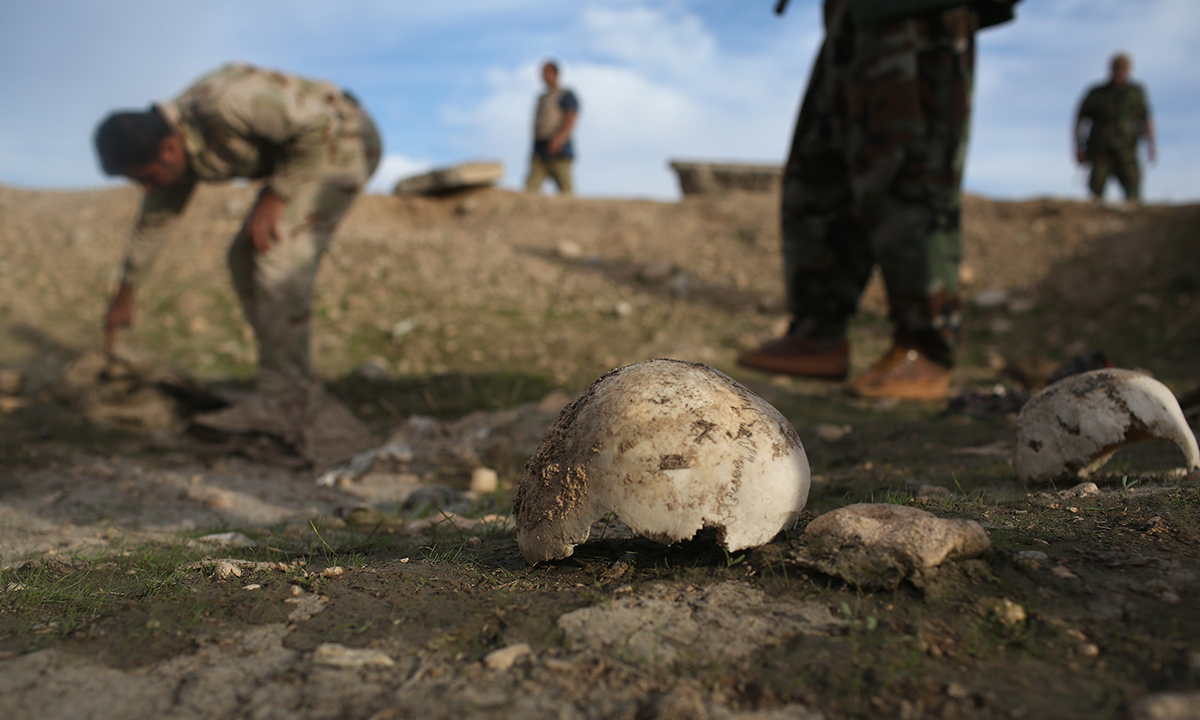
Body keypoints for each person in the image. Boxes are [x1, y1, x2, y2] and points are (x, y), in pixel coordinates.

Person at [94, 63, 382, 466]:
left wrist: (278, 195)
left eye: (146, 177)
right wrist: (125, 292)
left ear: (169, 149)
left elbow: (318, 124)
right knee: (243, 257)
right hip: (307, 152)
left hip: (342, 140)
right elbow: (153, 224)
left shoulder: (225, 105)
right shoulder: (173, 147)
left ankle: (289, 402)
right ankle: (285, 387)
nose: (146, 188)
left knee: (276, 255)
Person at [738, 0, 1019, 401]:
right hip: (849, 16)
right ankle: (818, 333)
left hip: (917, 14)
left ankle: (926, 346)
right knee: (818, 171)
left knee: (907, 172)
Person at [1074, 52, 1155, 204]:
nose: (1120, 72)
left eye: (1123, 68)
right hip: (1100, 150)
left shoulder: (1135, 93)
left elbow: (1146, 119)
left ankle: (1133, 224)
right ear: (1110, 69)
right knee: (1095, 194)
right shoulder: (1096, 93)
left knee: (1133, 193)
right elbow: (1079, 120)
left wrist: (1151, 146)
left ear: (1129, 70)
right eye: (1117, 68)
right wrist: (1078, 147)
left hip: (1127, 149)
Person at [524, 60, 579, 196]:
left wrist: (559, 138)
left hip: (559, 149)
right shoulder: (542, 98)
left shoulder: (566, 95)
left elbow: (570, 118)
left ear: (555, 73)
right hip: (540, 149)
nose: (543, 76)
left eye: (546, 72)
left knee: (566, 190)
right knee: (530, 189)